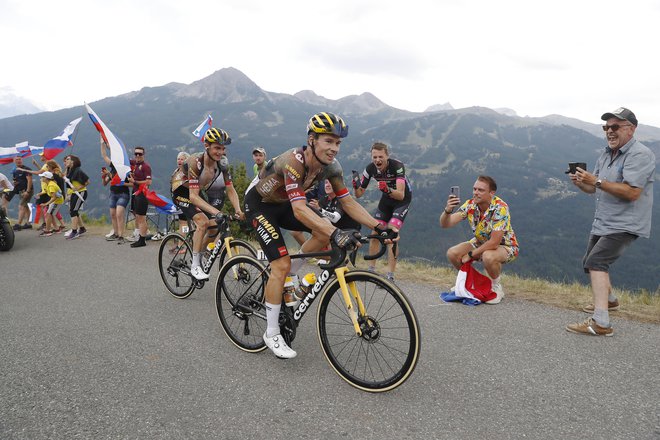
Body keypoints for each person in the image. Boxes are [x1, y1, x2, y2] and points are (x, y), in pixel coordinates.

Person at [243, 112, 396, 359]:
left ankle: (286, 277)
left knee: (322, 234)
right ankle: (271, 333)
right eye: (328, 141)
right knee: (281, 264)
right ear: (312, 140)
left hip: (283, 203)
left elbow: (348, 202)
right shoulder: (294, 161)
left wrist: (379, 227)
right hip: (259, 205)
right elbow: (300, 209)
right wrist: (336, 232)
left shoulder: (332, 168)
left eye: (338, 143)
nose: (334, 148)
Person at [565, 107, 655, 337]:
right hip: (604, 221)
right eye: (606, 127)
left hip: (626, 223)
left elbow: (632, 192)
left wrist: (595, 181)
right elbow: (593, 188)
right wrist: (582, 182)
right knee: (590, 261)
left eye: (615, 127)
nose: (609, 131)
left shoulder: (640, 155)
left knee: (597, 262)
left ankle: (601, 322)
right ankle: (611, 300)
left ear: (631, 129)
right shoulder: (606, 154)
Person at [440, 175, 519, 304]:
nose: (476, 193)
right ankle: (470, 283)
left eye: (480, 190)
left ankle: (496, 287)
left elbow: (494, 243)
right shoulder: (470, 204)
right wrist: (447, 211)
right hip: (480, 242)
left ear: (491, 193)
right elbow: (445, 224)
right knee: (452, 253)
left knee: (488, 256)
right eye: (474, 189)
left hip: (506, 246)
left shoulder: (500, 208)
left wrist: (470, 255)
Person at [182, 128, 244, 280]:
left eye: (223, 148)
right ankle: (195, 265)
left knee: (214, 227)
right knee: (203, 222)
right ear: (206, 146)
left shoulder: (222, 164)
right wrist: (216, 212)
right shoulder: (195, 162)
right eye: (217, 147)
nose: (220, 152)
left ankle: (201, 253)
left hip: (198, 190)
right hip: (181, 191)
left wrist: (238, 210)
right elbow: (193, 197)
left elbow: (230, 189)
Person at [353, 142, 412, 281]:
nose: (377, 160)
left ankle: (390, 275)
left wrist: (387, 189)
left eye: (381, 157)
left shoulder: (397, 166)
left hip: (401, 201)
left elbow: (401, 194)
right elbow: (359, 194)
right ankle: (371, 270)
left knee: (391, 234)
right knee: (375, 232)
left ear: (387, 156)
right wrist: (356, 186)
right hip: (386, 201)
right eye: (374, 157)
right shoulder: (370, 169)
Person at [100, 138, 131, 244]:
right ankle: (116, 233)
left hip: (123, 194)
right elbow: (104, 155)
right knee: (113, 214)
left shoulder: (126, 168)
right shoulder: (112, 168)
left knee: (119, 214)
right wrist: (102, 143)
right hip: (113, 193)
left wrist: (122, 183)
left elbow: (132, 184)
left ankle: (121, 235)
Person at [127, 146, 152, 248]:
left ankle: (142, 240)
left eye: (140, 154)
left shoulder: (145, 166)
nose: (137, 155)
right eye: (136, 154)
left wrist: (135, 181)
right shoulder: (136, 165)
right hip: (136, 193)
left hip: (142, 194)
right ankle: (140, 237)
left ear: (143, 155)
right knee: (138, 216)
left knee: (142, 218)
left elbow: (149, 182)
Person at [63, 155, 89, 240]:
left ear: (73, 161)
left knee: (73, 211)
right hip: (74, 193)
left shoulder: (78, 170)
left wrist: (78, 188)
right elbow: (65, 178)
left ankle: (74, 232)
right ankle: (82, 228)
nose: (66, 161)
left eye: (68, 159)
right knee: (75, 211)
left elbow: (87, 181)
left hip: (80, 193)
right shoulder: (70, 171)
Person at [3, 156, 33, 230]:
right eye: (16, 159)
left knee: (21, 206)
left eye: (19, 159)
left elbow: (29, 180)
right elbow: (16, 180)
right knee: (25, 207)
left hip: (27, 191)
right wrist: (15, 182)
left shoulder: (26, 169)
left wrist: (28, 191)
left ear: (22, 160)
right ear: (14, 161)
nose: (18, 161)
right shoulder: (15, 170)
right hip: (20, 191)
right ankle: (28, 224)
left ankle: (18, 224)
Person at [37, 171, 64, 237]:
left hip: (57, 201)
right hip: (57, 201)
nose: (41, 178)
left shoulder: (51, 185)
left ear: (46, 178)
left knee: (48, 214)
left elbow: (54, 197)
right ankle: (57, 229)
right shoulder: (50, 183)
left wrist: (46, 204)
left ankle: (47, 231)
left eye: (43, 177)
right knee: (51, 214)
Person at [170, 151, 190, 235]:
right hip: (177, 199)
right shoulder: (176, 171)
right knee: (182, 222)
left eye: (182, 159)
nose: (179, 161)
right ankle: (181, 243)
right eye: (178, 159)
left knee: (184, 222)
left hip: (185, 199)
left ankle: (183, 243)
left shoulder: (188, 171)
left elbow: (191, 186)